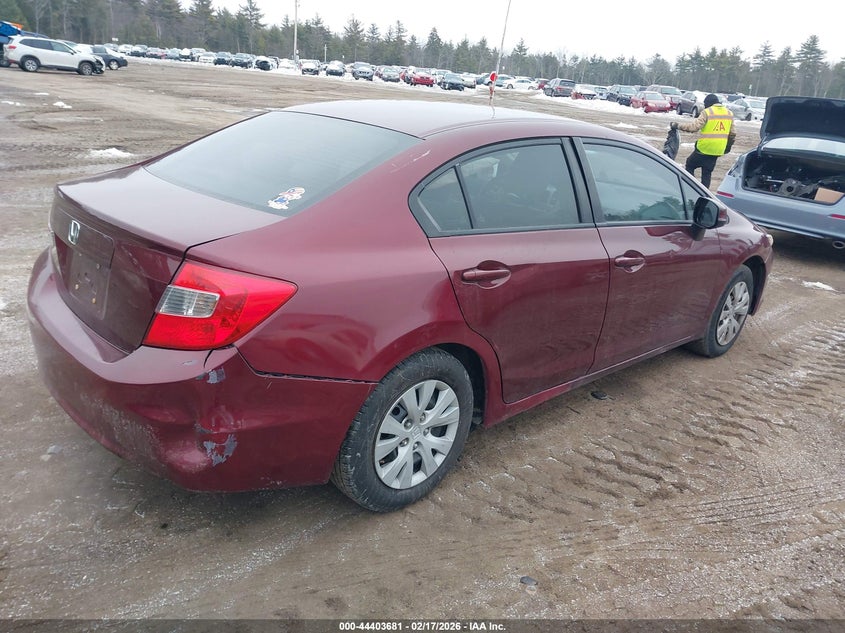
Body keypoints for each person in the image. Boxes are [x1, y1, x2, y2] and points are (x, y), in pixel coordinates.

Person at [670, 93, 736, 189]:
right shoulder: (729, 113)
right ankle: (704, 193)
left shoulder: (707, 112)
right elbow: (732, 133)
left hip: (704, 148)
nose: (705, 106)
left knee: (690, 164)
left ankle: (691, 188)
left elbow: (694, 127)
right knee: (707, 173)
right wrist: (728, 146)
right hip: (718, 150)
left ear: (708, 103)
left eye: (705, 104)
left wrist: (678, 126)